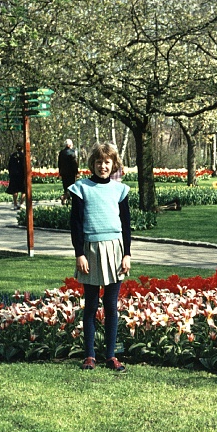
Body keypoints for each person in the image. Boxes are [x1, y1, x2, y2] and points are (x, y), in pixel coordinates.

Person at [68, 142, 131, 373]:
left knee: (111, 305)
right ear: (92, 164)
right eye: (98, 162)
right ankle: (89, 355)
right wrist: (79, 254)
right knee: (91, 305)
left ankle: (111, 355)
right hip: (90, 249)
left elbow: (126, 225)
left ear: (113, 164)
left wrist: (127, 254)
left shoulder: (119, 190)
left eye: (107, 162)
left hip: (115, 250)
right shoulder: (81, 188)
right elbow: (75, 224)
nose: (103, 166)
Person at [57, 139, 79, 206]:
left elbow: (59, 163)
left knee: (65, 187)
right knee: (71, 187)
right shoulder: (72, 152)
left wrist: (60, 172)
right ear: (69, 145)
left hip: (63, 173)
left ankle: (67, 200)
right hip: (71, 173)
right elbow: (74, 164)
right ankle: (65, 197)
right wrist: (76, 172)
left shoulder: (61, 152)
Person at [6, 143, 25, 209]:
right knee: (24, 190)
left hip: (14, 175)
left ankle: (15, 204)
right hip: (22, 175)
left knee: (15, 190)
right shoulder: (24, 156)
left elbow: (9, 166)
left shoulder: (13, 156)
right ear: (22, 148)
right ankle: (21, 203)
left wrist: (11, 173)